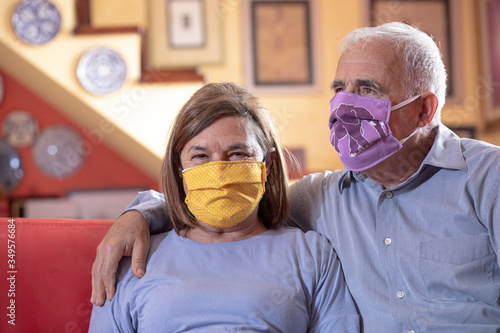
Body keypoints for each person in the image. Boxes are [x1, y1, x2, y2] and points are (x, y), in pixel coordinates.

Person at [91, 22, 500, 332]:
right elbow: (227, 193)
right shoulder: (321, 196)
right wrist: (140, 216)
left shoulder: (488, 179)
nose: (344, 106)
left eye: (367, 89)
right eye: (339, 88)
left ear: (424, 109)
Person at [88, 82, 360, 332]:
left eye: (238, 154)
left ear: (267, 166)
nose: (218, 170)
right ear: (179, 168)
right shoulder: (134, 258)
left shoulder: (312, 255)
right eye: (200, 156)